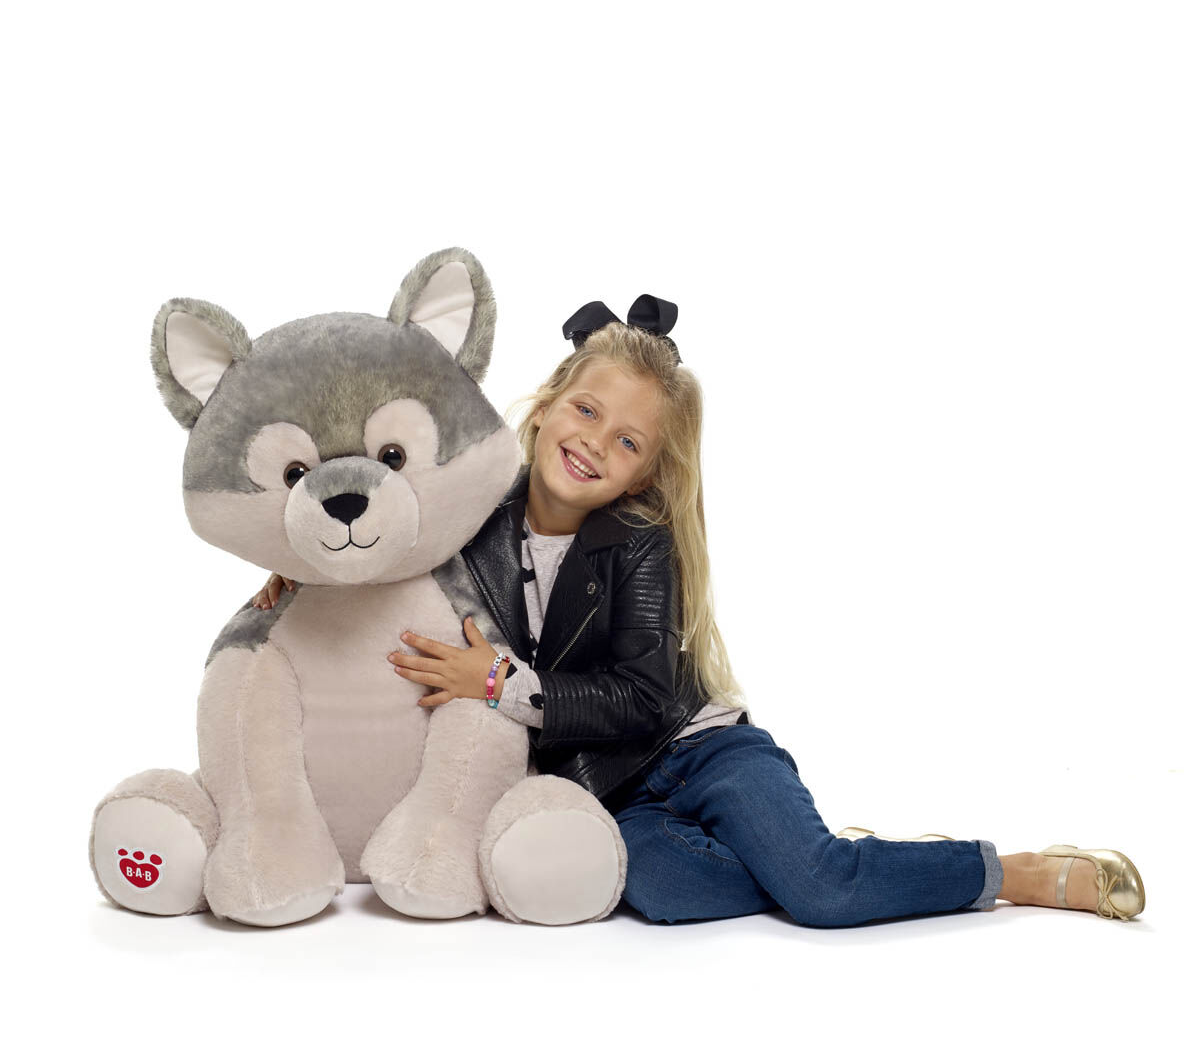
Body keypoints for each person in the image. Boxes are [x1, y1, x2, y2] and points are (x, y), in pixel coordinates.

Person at [251, 296, 1145, 926]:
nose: (594, 443)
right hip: (610, 790)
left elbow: (642, 698)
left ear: (646, 471)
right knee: (657, 894)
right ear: (548, 404)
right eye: (585, 410)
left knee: (820, 895)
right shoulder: (470, 519)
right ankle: (819, 856)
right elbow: (383, 546)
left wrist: (501, 683)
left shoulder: (639, 539)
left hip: (695, 749)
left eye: (627, 441)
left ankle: (1008, 873)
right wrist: (298, 581)